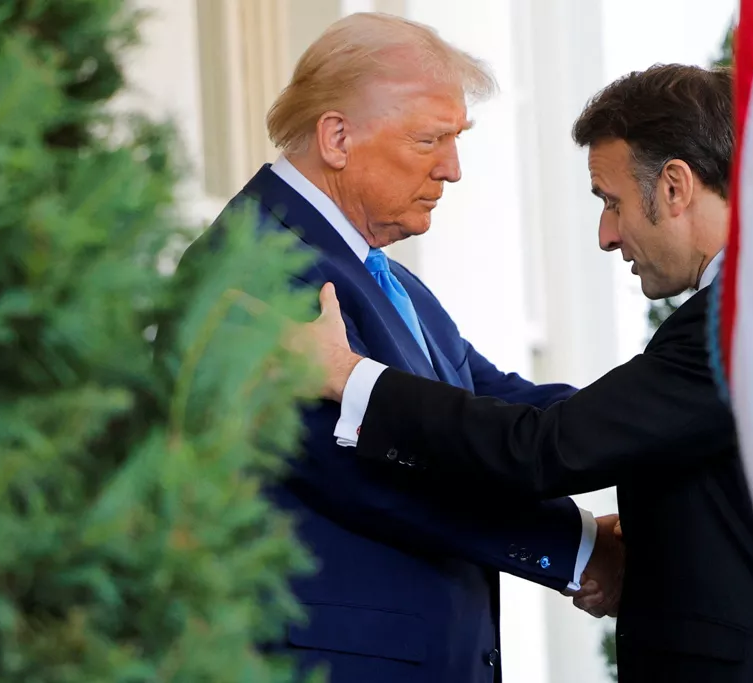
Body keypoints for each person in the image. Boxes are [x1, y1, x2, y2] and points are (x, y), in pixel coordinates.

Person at [304, 64, 753, 683]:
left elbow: (542, 448)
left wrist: (348, 375)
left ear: (675, 187)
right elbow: (607, 428)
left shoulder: (740, 316)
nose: (606, 235)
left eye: (612, 202)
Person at [166, 12, 621, 683]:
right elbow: (375, 474)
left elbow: (499, 408)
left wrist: (662, 423)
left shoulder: (385, 275)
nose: (453, 169)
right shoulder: (255, 265)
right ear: (337, 137)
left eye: (457, 139)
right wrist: (580, 547)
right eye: (430, 139)